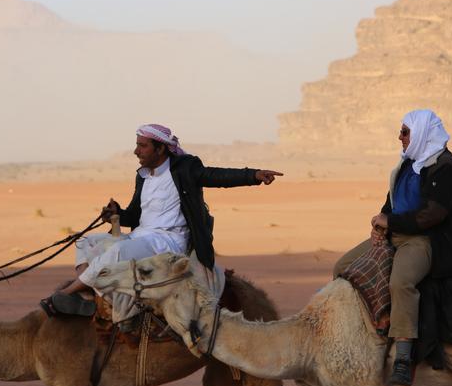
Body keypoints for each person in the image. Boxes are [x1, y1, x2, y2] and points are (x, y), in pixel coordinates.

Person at [46, 123, 282, 316]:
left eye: (142, 146)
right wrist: (117, 213)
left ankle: (66, 295)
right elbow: (135, 215)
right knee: (85, 243)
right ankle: (88, 298)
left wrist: (253, 175)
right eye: (137, 145)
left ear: (161, 149)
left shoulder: (185, 169)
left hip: (167, 242)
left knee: (116, 255)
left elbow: (216, 175)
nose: (136, 151)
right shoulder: (143, 177)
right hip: (141, 236)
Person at [332, 109, 452, 386]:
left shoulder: (445, 166)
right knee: (342, 267)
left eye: (405, 132)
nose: (400, 137)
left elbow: (432, 215)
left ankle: (404, 356)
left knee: (401, 282)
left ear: (421, 133)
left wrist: (390, 222)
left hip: (425, 239)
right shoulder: (409, 163)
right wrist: (380, 225)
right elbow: (392, 202)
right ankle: (359, 334)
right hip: (396, 233)